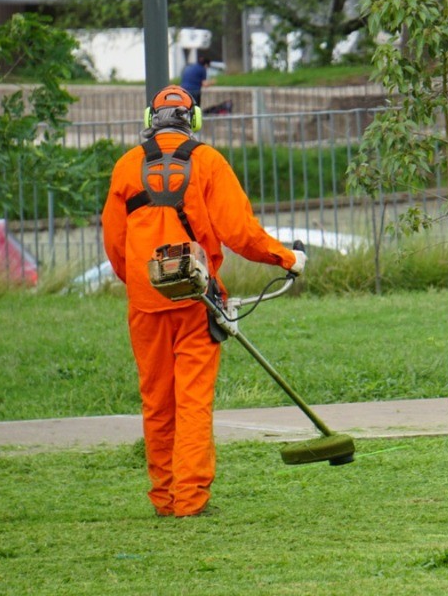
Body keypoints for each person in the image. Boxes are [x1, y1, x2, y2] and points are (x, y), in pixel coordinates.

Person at [102, 85, 305, 518]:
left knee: (157, 401)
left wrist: (140, 282)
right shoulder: (208, 162)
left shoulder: (125, 168)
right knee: (192, 400)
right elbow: (241, 233)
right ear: (193, 120)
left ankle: (165, 496)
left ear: (149, 119)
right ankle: (190, 500)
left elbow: (115, 245)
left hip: (145, 304)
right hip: (195, 301)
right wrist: (288, 258)